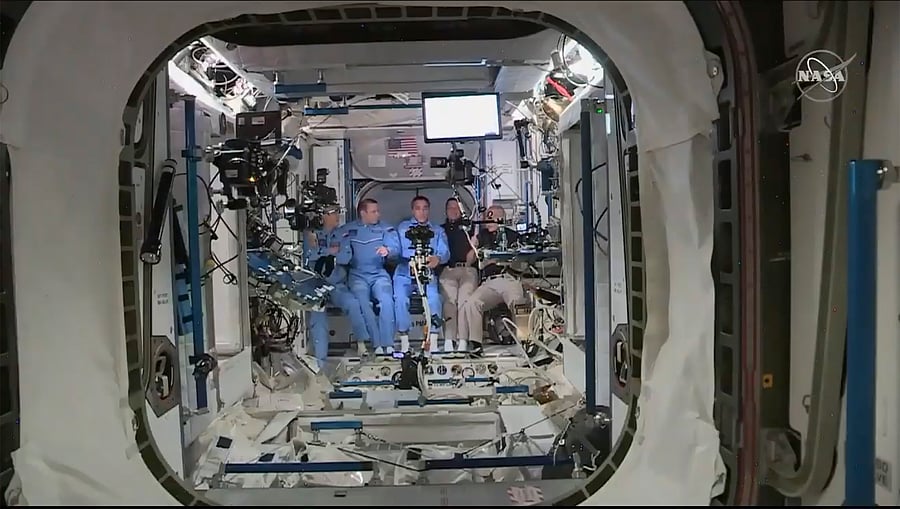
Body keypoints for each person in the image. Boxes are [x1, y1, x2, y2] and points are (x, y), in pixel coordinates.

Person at [303, 207, 373, 362]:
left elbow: (345, 257)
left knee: (353, 304)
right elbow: (308, 257)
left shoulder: (343, 234)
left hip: (337, 284)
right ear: (323, 215)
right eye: (333, 213)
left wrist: (322, 253)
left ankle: (361, 344)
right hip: (316, 286)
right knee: (318, 318)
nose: (337, 216)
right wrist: (330, 251)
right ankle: (320, 360)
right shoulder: (310, 235)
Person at [458, 205, 524, 355]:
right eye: (488, 218)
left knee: (518, 302)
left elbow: (520, 261)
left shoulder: (513, 236)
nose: (489, 222)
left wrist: (498, 260)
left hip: (508, 278)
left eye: (493, 218)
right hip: (489, 282)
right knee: (472, 303)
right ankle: (476, 344)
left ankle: (525, 341)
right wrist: (473, 246)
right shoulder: (482, 236)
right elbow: (469, 261)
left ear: (502, 218)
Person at [344, 199, 401, 355]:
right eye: (374, 211)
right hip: (357, 274)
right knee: (363, 303)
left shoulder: (385, 229)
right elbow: (336, 246)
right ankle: (376, 344)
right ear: (363, 213)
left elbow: (395, 248)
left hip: (378, 273)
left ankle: (388, 343)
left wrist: (388, 250)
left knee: (387, 300)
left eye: (378, 211)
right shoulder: (348, 230)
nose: (378, 214)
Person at [394, 196, 450, 353]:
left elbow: (445, 252)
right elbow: (395, 250)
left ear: (429, 210)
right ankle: (404, 341)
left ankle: (433, 340)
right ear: (413, 210)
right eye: (418, 208)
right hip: (405, 272)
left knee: (434, 299)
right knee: (400, 299)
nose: (422, 212)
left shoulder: (437, 231)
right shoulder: (402, 228)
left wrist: (437, 258)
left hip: (426, 271)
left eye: (425, 208)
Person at [439, 197, 479, 353]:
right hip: (448, 270)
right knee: (450, 302)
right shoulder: (440, 230)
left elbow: (475, 255)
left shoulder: (470, 229)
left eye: (456, 207)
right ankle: (449, 339)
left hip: (467, 269)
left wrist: (474, 245)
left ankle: (463, 340)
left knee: (464, 301)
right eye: (450, 207)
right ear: (445, 211)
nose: (453, 210)